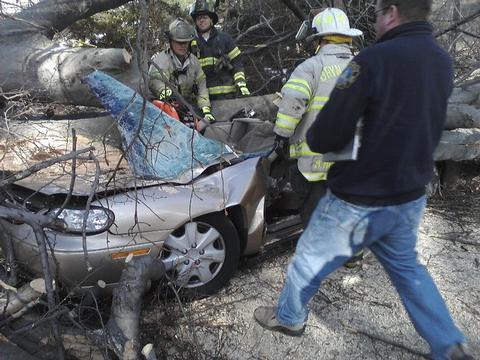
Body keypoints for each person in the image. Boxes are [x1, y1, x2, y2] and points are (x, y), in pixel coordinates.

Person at [254, 1, 473, 359]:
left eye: (377, 16)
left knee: (309, 255)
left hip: (360, 196)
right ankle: (449, 344)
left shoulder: (372, 61)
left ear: (391, 12)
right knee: (408, 270)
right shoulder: (441, 61)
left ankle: (289, 317)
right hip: (410, 194)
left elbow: (325, 135)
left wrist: (312, 141)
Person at [273, 8, 364, 268]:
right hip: (351, 156)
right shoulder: (362, 66)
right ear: (346, 38)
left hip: (314, 160)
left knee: (313, 205)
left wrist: (281, 136)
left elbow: (292, 104)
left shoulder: (311, 67)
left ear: (320, 39)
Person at [148, 17, 215, 127]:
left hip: (186, 105)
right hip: (164, 104)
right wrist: (167, 94)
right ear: (171, 40)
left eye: (185, 42)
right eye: (179, 42)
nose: (183, 46)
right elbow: (155, 81)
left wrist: (206, 109)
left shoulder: (194, 62)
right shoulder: (162, 60)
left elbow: (202, 85)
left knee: (198, 123)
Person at [189, 0, 250, 100]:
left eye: (205, 17)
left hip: (228, 97)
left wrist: (241, 83)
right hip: (204, 99)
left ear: (211, 19)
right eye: (199, 18)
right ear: (195, 21)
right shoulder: (190, 43)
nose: (202, 20)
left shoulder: (225, 39)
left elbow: (237, 63)